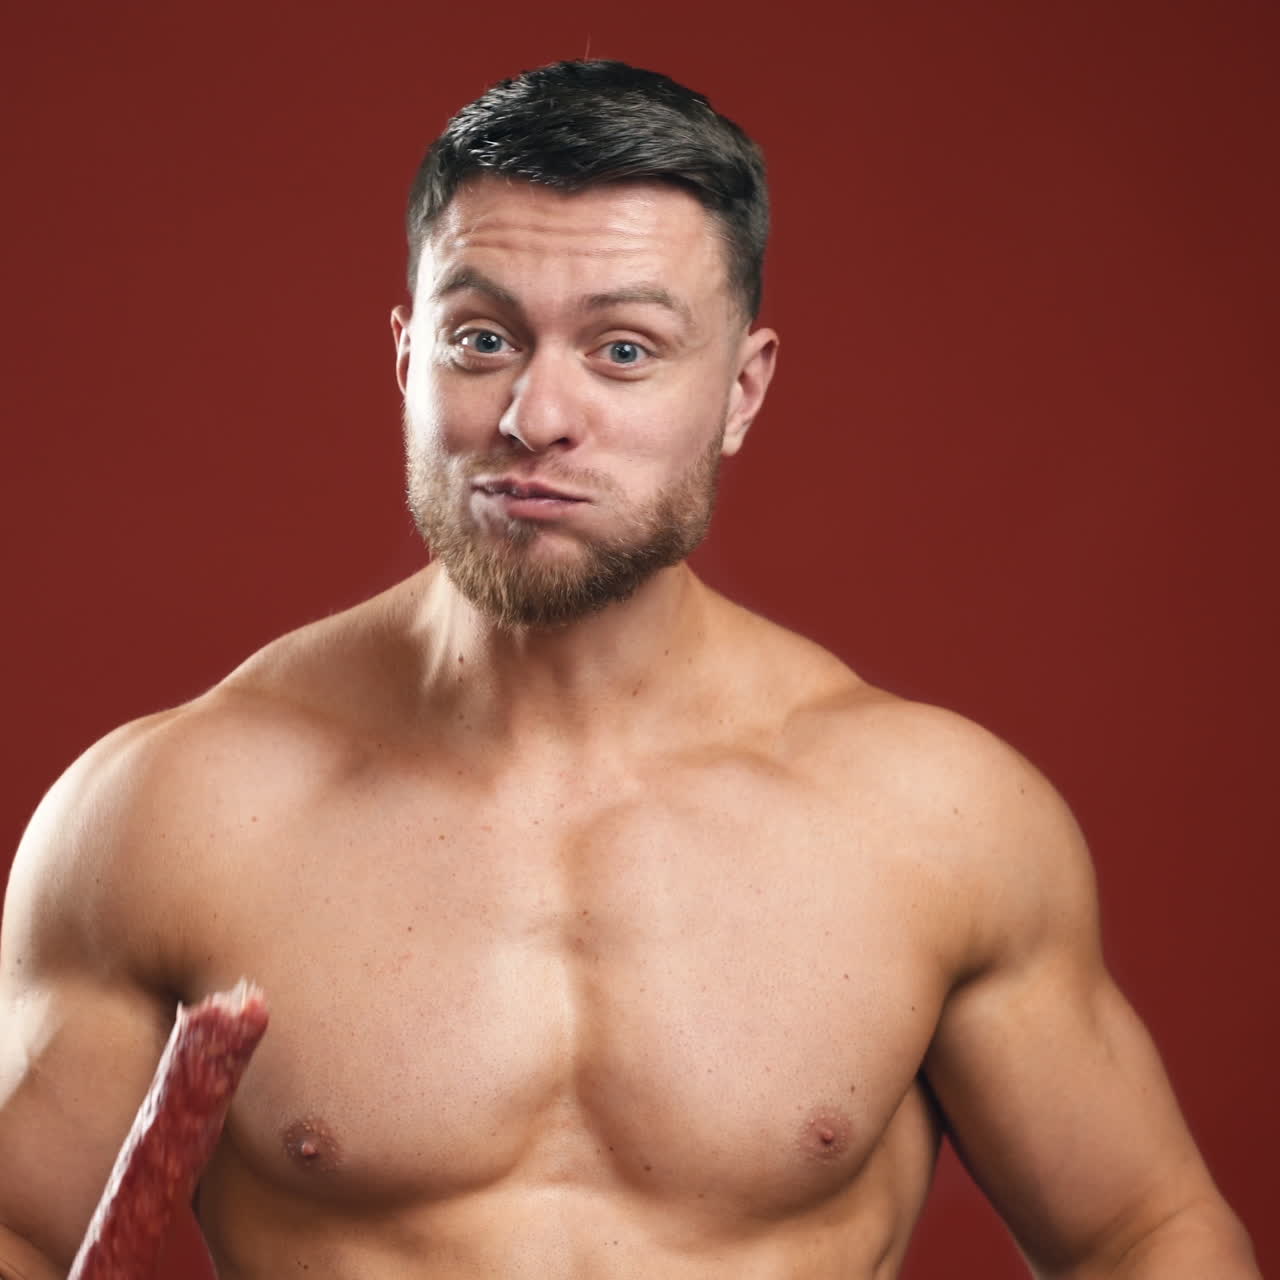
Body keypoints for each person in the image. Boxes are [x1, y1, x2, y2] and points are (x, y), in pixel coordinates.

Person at [0, 59, 1259, 1280]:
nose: (535, 415)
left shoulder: (933, 821)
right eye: (481, 337)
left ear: (740, 390)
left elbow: (1140, 1235)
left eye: (622, 351)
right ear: (404, 359)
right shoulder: (171, 812)